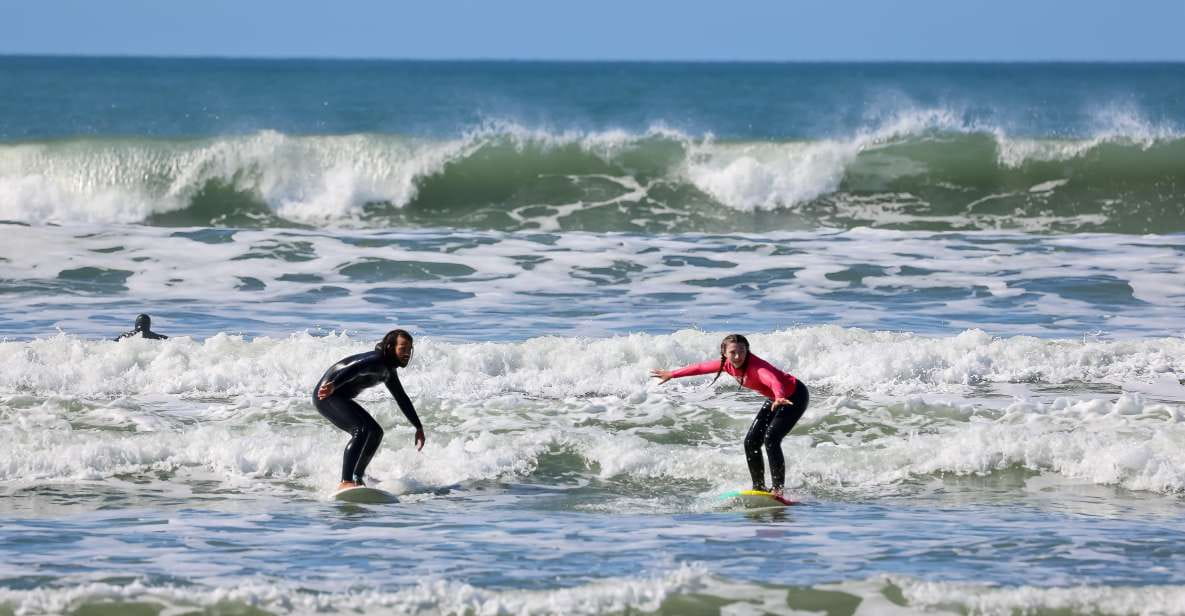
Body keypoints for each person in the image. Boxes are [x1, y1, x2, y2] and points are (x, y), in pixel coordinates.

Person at [650, 334, 808, 498]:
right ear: (724, 353)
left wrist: (779, 395)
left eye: (742, 352)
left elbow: (773, 380)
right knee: (750, 442)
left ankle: (778, 490)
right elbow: (699, 368)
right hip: (775, 399)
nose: (738, 356)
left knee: (771, 439)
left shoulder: (756, 367)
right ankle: (759, 487)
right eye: (733, 352)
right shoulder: (725, 365)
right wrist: (672, 374)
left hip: (793, 397)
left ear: (747, 351)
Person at [314, 329, 425, 490]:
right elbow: (354, 370)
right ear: (390, 347)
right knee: (361, 429)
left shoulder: (388, 371)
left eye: (409, 349)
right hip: (327, 395)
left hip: (340, 397)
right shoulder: (375, 360)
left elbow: (402, 398)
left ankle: (357, 476)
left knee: (375, 432)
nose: (407, 353)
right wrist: (334, 384)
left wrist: (418, 427)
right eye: (403, 348)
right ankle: (345, 482)